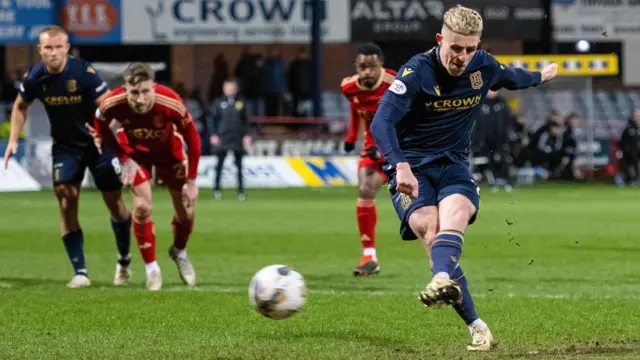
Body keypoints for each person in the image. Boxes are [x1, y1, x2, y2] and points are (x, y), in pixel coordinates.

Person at [370, 5, 557, 351]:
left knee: (455, 216)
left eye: (470, 48)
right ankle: (477, 324)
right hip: (412, 170)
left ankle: (440, 278)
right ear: (441, 39)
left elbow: (513, 78)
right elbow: (381, 123)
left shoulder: (482, 65)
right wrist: (400, 166)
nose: (463, 56)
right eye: (456, 48)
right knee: (429, 227)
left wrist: (541, 76)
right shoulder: (415, 73)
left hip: (454, 166)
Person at [2, 26, 132, 289]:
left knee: (114, 203)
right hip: (65, 147)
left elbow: (109, 105)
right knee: (65, 197)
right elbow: (20, 105)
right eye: (47, 48)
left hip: (98, 145)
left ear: (67, 48)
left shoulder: (84, 73)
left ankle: (124, 258)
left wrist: (109, 131)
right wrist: (14, 140)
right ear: (40, 50)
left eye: (58, 47)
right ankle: (80, 271)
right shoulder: (36, 77)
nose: (53, 53)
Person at [91, 62, 201, 291]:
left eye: (145, 92)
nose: (140, 99)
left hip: (169, 153)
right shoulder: (113, 102)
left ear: (154, 87)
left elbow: (192, 138)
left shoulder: (170, 102)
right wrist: (123, 158)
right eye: (134, 93)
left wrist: (191, 181)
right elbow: (99, 122)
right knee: (141, 208)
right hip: (134, 155)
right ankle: (152, 269)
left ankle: (180, 252)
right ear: (124, 89)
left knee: (186, 211)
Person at [340, 43, 397, 276]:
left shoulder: (395, 84)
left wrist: (385, 154)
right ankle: (369, 256)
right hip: (372, 144)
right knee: (365, 189)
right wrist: (352, 136)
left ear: (380, 65)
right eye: (362, 67)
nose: (366, 72)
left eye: (371, 67)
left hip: (400, 143)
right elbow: (357, 108)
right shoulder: (349, 87)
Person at [209, 78, 251, 201]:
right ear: (224, 89)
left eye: (232, 88)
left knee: (239, 166)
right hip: (223, 138)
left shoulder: (241, 102)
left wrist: (247, 135)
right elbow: (212, 120)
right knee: (219, 165)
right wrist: (213, 134)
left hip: (237, 137)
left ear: (235, 89)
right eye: (227, 88)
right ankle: (216, 190)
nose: (230, 90)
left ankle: (241, 192)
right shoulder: (218, 103)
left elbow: (245, 121)